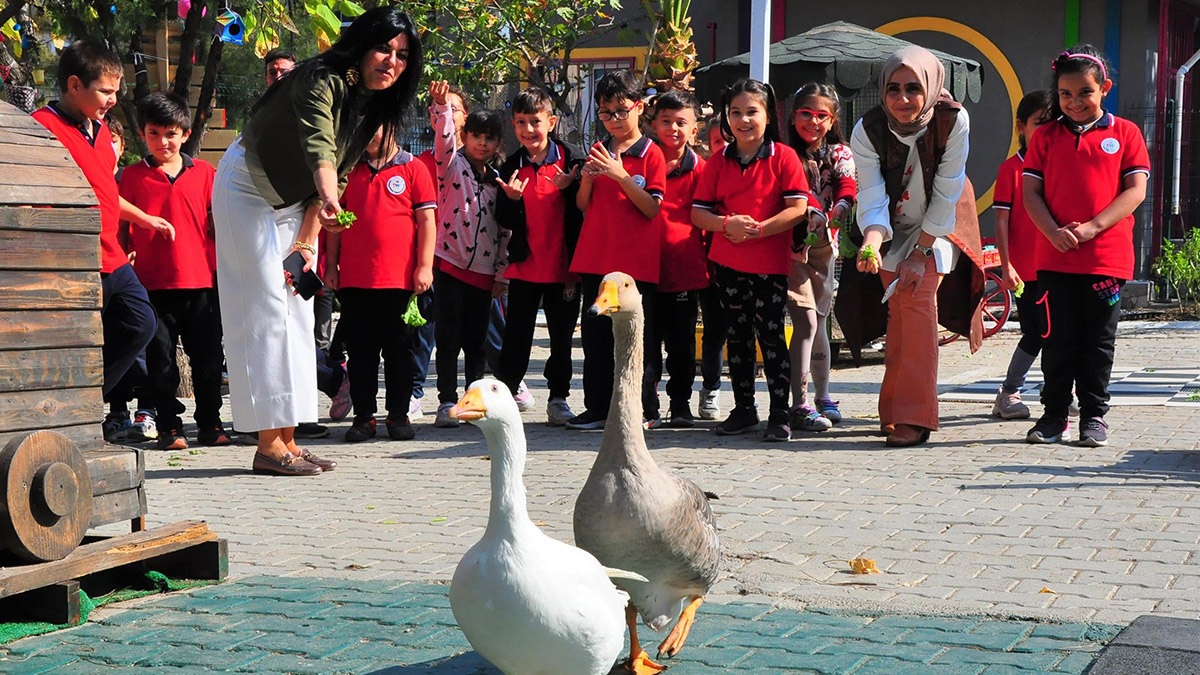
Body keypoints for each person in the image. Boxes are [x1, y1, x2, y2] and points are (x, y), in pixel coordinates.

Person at [211, 6, 423, 475]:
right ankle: (267, 445)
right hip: (247, 185)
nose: (392, 61)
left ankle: (288, 438)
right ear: (361, 45)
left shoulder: (373, 104)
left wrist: (308, 241)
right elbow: (320, 149)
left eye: (402, 55)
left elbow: (339, 169)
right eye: (383, 48)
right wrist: (329, 197)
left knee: (296, 310)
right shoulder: (320, 79)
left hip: (297, 198)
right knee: (266, 310)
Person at [32, 40, 167, 443]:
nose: (114, 99)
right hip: (72, 259)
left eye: (116, 91)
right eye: (106, 91)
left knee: (141, 322)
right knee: (70, 341)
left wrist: (142, 217)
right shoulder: (41, 128)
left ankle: (85, 401)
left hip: (112, 255)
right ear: (75, 85)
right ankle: (62, 413)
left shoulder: (102, 128)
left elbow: (106, 190)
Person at [851, 45, 981, 448]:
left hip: (941, 224)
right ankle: (892, 409)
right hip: (892, 223)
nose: (903, 99)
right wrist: (872, 244)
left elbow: (946, 191)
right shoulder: (868, 129)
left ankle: (915, 416)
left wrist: (921, 253)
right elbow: (871, 197)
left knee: (918, 302)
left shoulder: (952, 119)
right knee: (899, 314)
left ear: (931, 87)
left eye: (913, 88)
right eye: (893, 88)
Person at [1022, 46, 1149, 446]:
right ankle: (1053, 416)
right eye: (1065, 94)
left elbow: (1135, 190)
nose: (1075, 102)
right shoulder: (1044, 137)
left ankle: (1094, 416)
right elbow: (1031, 194)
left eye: (1085, 92)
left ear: (1104, 88)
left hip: (1106, 260)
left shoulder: (1125, 133)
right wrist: (1053, 232)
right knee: (1056, 340)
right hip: (1055, 259)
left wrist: (1094, 227)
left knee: (1098, 341)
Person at [691, 78, 808, 441]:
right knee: (737, 337)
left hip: (769, 265)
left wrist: (759, 231)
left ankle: (780, 413)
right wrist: (726, 224)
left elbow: (798, 209)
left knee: (771, 337)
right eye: (735, 112)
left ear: (768, 115)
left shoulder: (784, 157)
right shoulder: (718, 161)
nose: (743, 120)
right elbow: (698, 214)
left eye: (751, 112)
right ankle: (744, 409)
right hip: (726, 265)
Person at [119, 92, 228, 450]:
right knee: (161, 361)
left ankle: (211, 423)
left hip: (202, 282)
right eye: (153, 133)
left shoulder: (206, 174)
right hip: (152, 284)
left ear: (185, 133)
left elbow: (221, 223)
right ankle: (168, 426)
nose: (162, 142)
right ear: (142, 133)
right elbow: (121, 228)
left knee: (208, 360)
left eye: (170, 134)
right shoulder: (131, 177)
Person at [568, 69, 666, 430]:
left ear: (638, 107)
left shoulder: (651, 153)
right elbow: (582, 204)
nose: (614, 119)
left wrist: (620, 175)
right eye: (606, 113)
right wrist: (588, 180)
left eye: (621, 111)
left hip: (634, 267)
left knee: (639, 340)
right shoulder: (599, 150)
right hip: (596, 258)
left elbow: (652, 208)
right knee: (595, 340)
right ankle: (597, 408)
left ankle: (645, 410)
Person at [324, 127, 436, 442]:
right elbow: (334, 223)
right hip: (355, 281)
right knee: (361, 354)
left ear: (392, 127)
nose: (368, 134)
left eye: (375, 127)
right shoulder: (348, 170)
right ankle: (364, 418)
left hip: (399, 281)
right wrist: (331, 266)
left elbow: (427, 221)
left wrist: (425, 266)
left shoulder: (413, 168)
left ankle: (398, 416)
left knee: (400, 352)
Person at [494, 86, 585, 426]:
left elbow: (586, 208)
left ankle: (558, 398)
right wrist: (512, 201)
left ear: (551, 121)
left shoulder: (573, 160)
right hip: (525, 266)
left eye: (535, 121)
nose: (528, 129)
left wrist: (570, 188)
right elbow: (503, 218)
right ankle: (506, 396)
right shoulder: (510, 166)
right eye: (521, 122)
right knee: (516, 336)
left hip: (565, 267)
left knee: (561, 338)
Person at [427, 80, 509, 428]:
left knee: (477, 344)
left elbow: (505, 231)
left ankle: (473, 403)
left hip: (484, 273)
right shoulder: (450, 166)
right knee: (447, 338)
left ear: (497, 143)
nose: (482, 143)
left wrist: (501, 275)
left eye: (489, 138)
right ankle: (446, 401)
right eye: (476, 135)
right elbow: (443, 141)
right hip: (450, 265)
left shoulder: (499, 181)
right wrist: (442, 108)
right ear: (465, 136)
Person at [785, 83, 856, 432]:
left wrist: (840, 207)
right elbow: (796, 192)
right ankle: (799, 403)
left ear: (832, 120)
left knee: (820, 320)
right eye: (806, 114)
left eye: (821, 116)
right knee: (807, 322)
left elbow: (846, 186)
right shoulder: (783, 153)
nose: (813, 122)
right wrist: (812, 211)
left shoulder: (839, 152)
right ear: (792, 116)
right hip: (790, 247)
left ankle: (823, 396)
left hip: (825, 246)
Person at [646, 89, 708, 429]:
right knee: (646, 343)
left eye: (681, 123)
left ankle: (681, 404)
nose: (673, 128)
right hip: (644, 269)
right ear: (654, 125)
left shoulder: (702, 170)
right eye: (666, 121)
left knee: (681, 344)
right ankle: (647, 405)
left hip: (684, 270)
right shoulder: (641, 162)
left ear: (694, 130)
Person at [992, 90, 1053, 420]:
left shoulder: (1059, 166)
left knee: (1061, 331)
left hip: (1059, 266)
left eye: (1052, 123)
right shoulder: (1011, 169)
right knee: (1036, 332)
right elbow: (1002, 221)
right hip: (1027, 271)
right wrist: (1007, 266)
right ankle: (1009, 391)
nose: (1045, 130)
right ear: (1021, 126)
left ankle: (1059, 390)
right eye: (1039, 123)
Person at [410, 84, 468, 421]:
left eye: (450, 108)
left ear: (465, 117)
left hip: (471, 258)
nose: (441, 112)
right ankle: (415, 391)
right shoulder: (421, 162)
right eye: (435, 109)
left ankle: (501, 384)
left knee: (481, 328)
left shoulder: (478, 159)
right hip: (431, 257)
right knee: (425, 328)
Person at [696, 113, 728, 421]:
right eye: (718, 140)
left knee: (738, 330)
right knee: (713, 331)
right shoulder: (704, 172)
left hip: (739, 262)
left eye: (728, 140)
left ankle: (735, 393)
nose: (724, 145)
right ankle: (710, 388)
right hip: (706, 265)